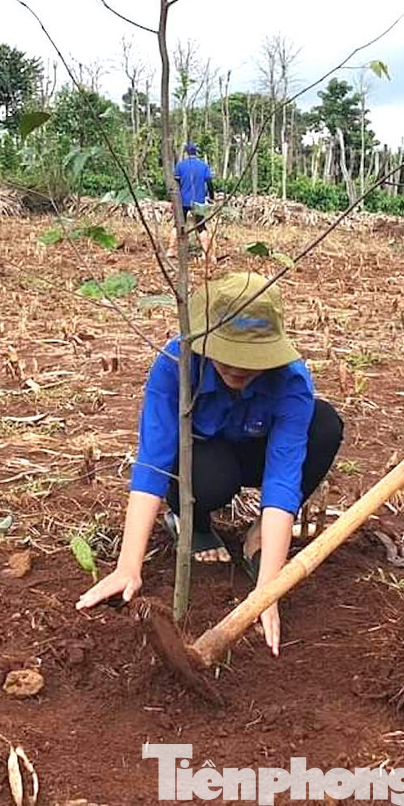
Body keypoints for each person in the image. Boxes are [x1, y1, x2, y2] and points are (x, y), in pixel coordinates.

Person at [76, 272, 343, 656]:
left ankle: (258, 538)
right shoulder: (175, 365)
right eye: (228, 352)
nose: (237, 367)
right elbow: (154, 461)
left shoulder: (291, 382)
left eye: (251, 358)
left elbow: (284, 478)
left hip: (257, 451)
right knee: (213, 477)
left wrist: (268, 590)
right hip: (203, 462)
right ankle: (193, 523)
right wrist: (127, 566)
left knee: (324, 425)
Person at [166, 142, 215, 261]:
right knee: (201, 226)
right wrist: (211, 196)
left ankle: (171, 250)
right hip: (198, 201)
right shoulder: (203, 166)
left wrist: (173, 199)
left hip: (183, 201)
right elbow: (209, 183)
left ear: (186, 153)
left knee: (177, 225)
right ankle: (206, 253)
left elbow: (176, 184)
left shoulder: (181, 166)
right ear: (197, 152)